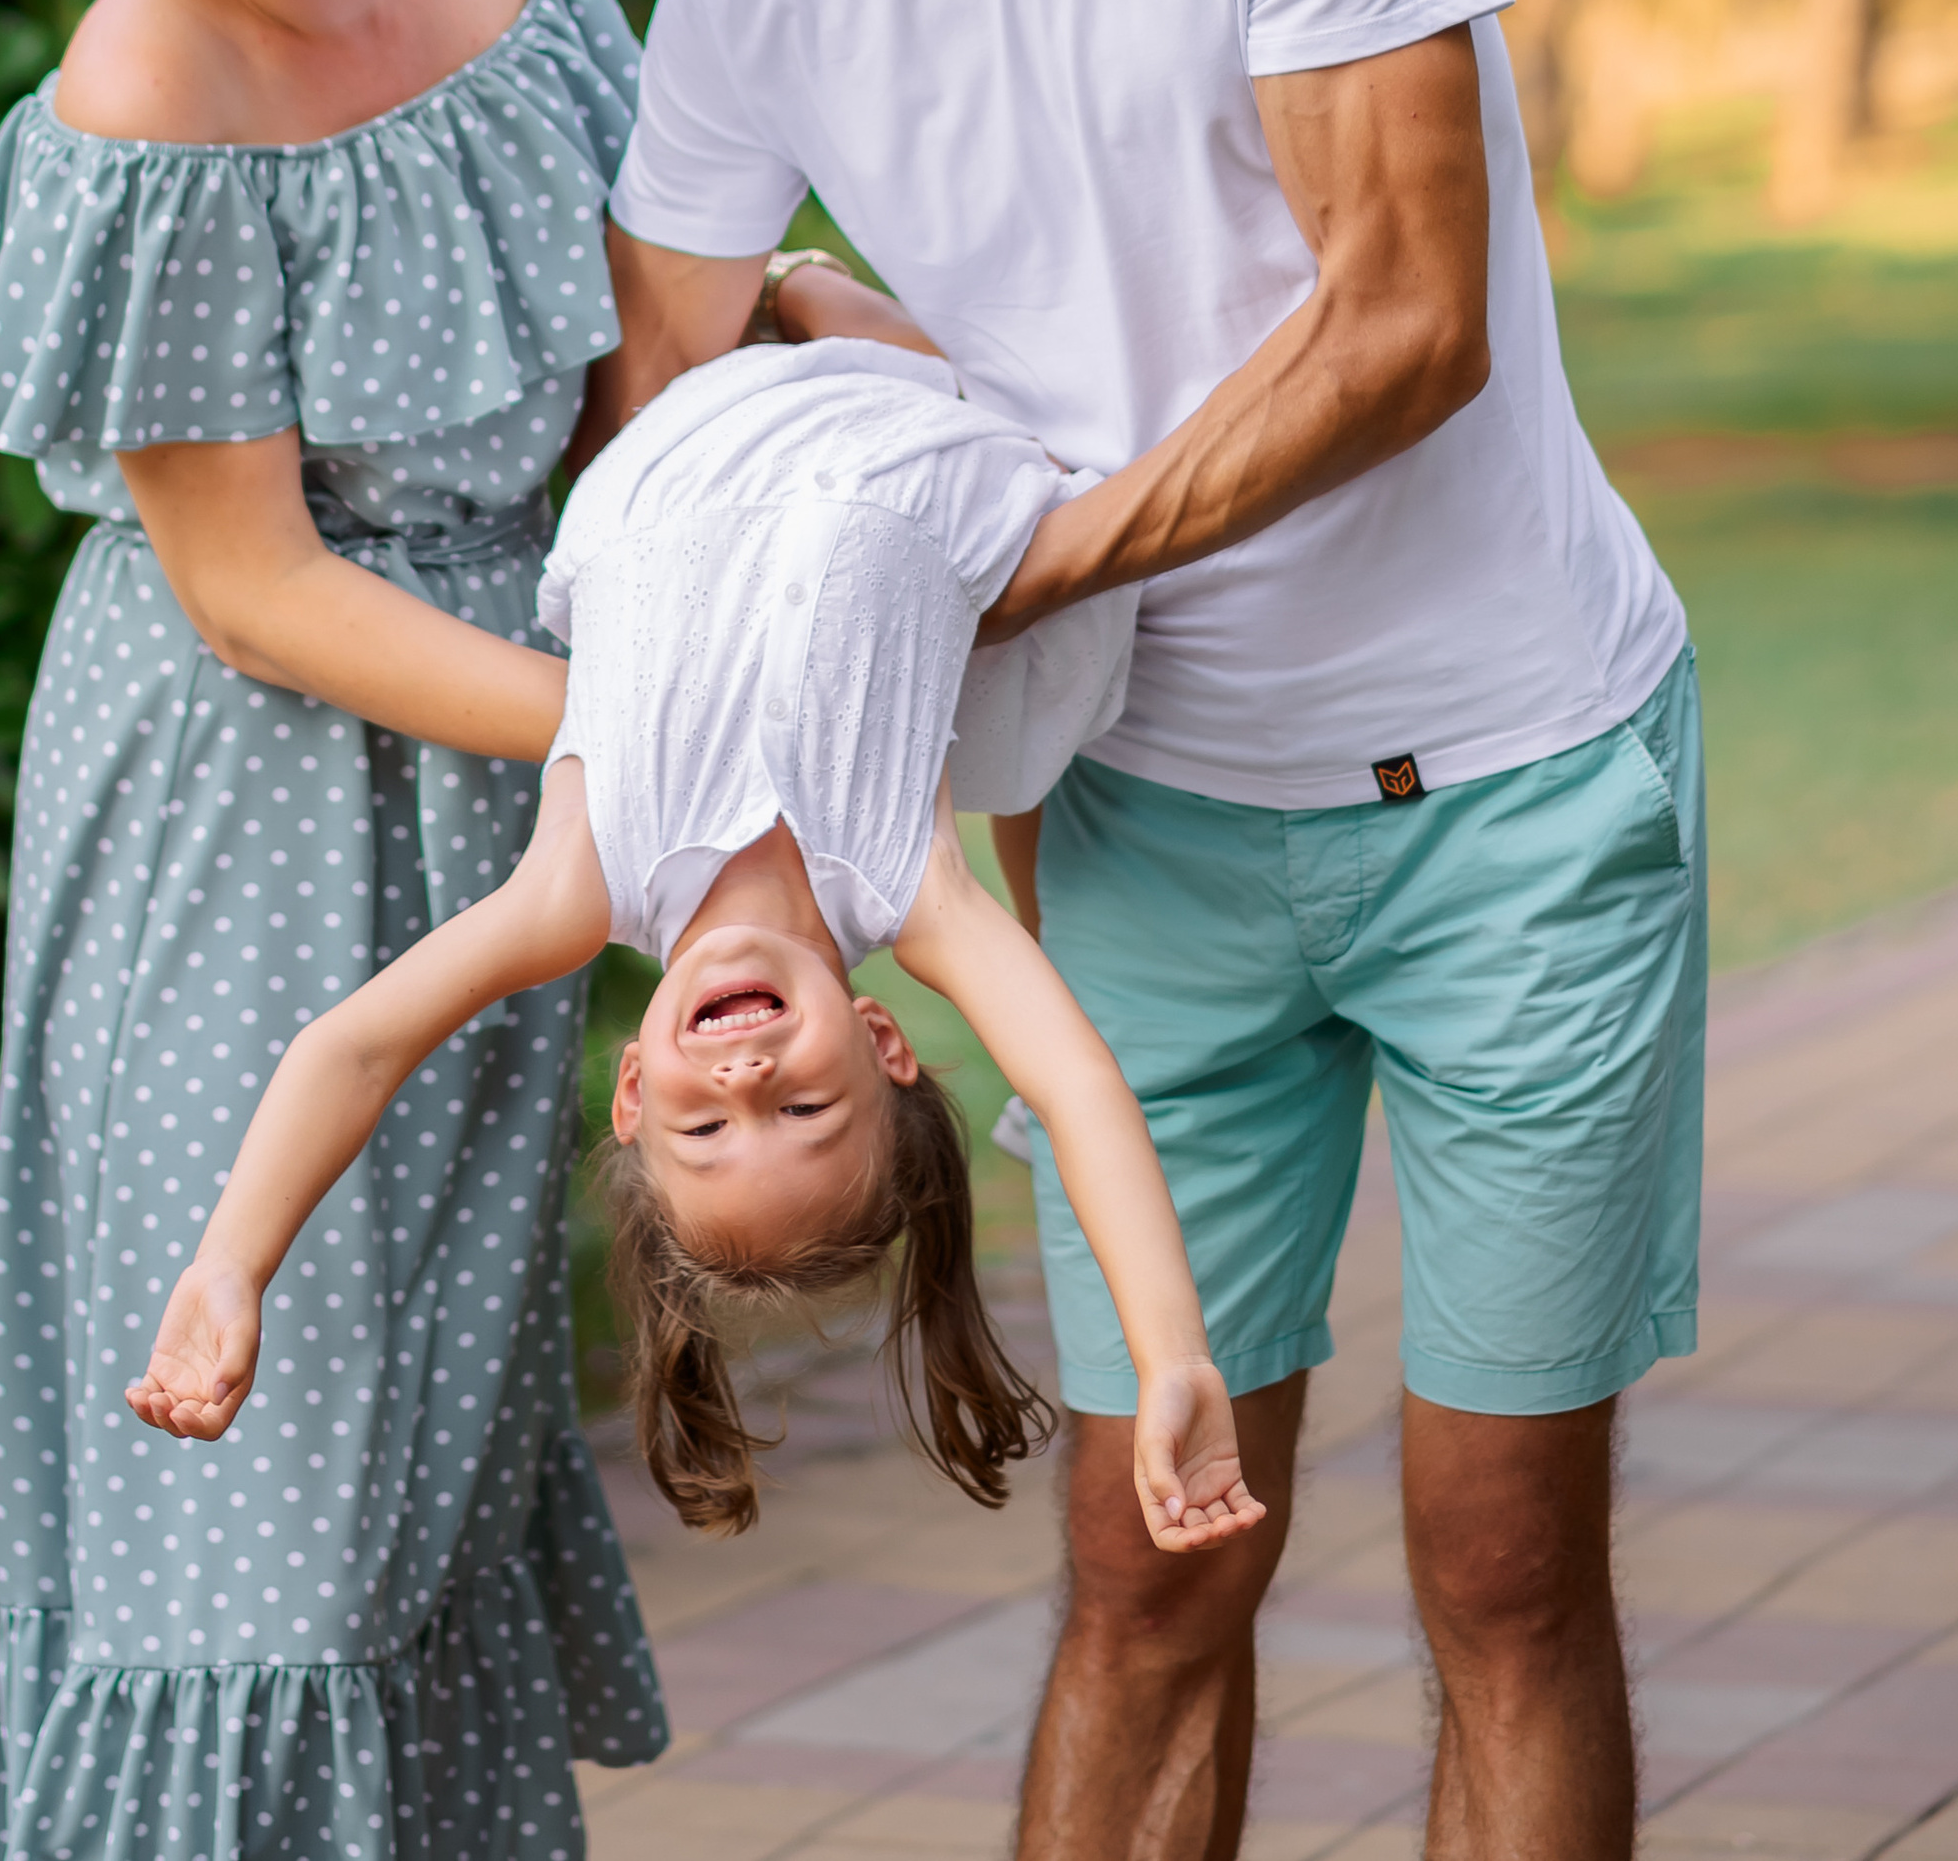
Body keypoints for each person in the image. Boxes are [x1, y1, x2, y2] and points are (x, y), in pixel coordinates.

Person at [605, 0, 1704, 1861]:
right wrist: (837, 344)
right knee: (1143, 1572)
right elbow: (673, 415)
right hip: (1138, 843)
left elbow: (1402, 315)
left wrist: (1011, 558)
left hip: (1508, 786)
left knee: (1499, 1569)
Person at [0, 0, 666, 1861]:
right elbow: (249, 588)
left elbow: (637, 341)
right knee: (271, 1486)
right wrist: (618, 726)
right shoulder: (147, 94)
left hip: (494, 761)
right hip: (239, 809)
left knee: (423, 1440)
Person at [125, 335, 1262, 1566]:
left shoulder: (581, 881)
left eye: (705, 1126)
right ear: (884, 1042)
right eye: (805, 1108)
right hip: (916, 423)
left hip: (698, 419)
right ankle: (846, 312)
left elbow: (355, 1047)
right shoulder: (910, 883)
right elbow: (1080, 1085)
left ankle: (814, 304)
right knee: (1048, 431)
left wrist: (232, 1262)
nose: (747, 1081)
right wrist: (1173, 1357)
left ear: (632, 1092)